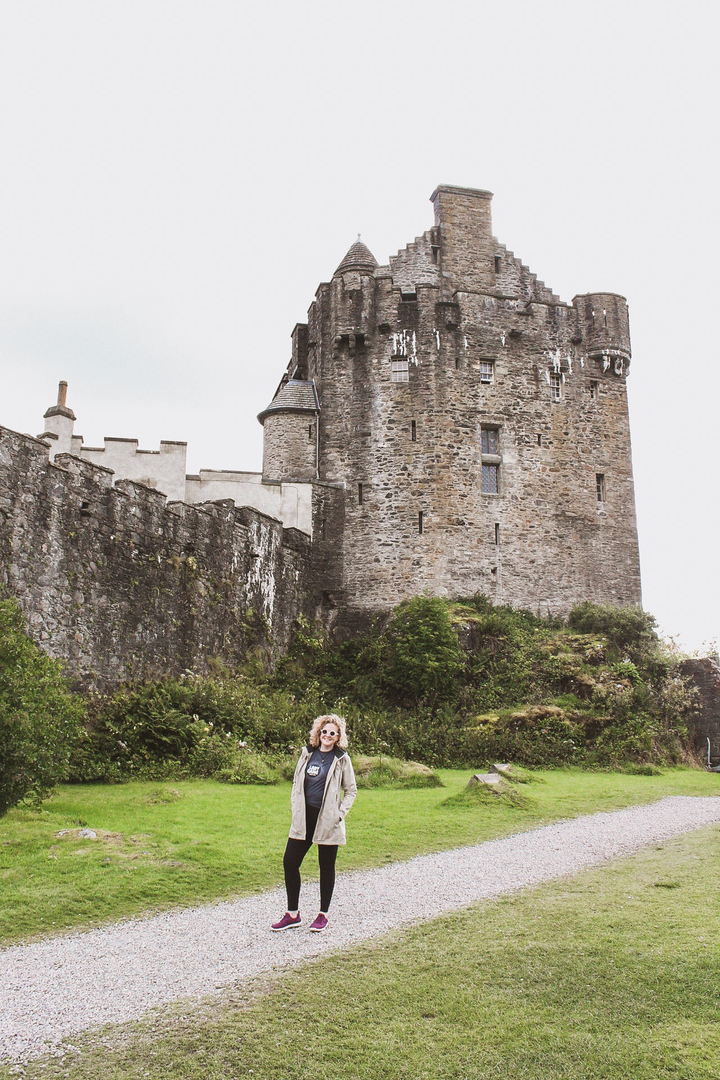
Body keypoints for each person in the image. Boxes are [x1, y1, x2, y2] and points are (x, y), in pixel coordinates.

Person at [271, 714, 357, 933]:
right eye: (324, 732)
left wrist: (339, 814)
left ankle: (323, 915)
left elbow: (351, 790)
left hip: (328, 820)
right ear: (318, 733)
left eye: (332, 733)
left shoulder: (341, 759)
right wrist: (295, 807)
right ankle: (292, 914)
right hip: (304, 818)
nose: (327, 736)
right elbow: (295, 783)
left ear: (338, 738)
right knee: (290, 862)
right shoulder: (307, 754)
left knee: (326, 867)